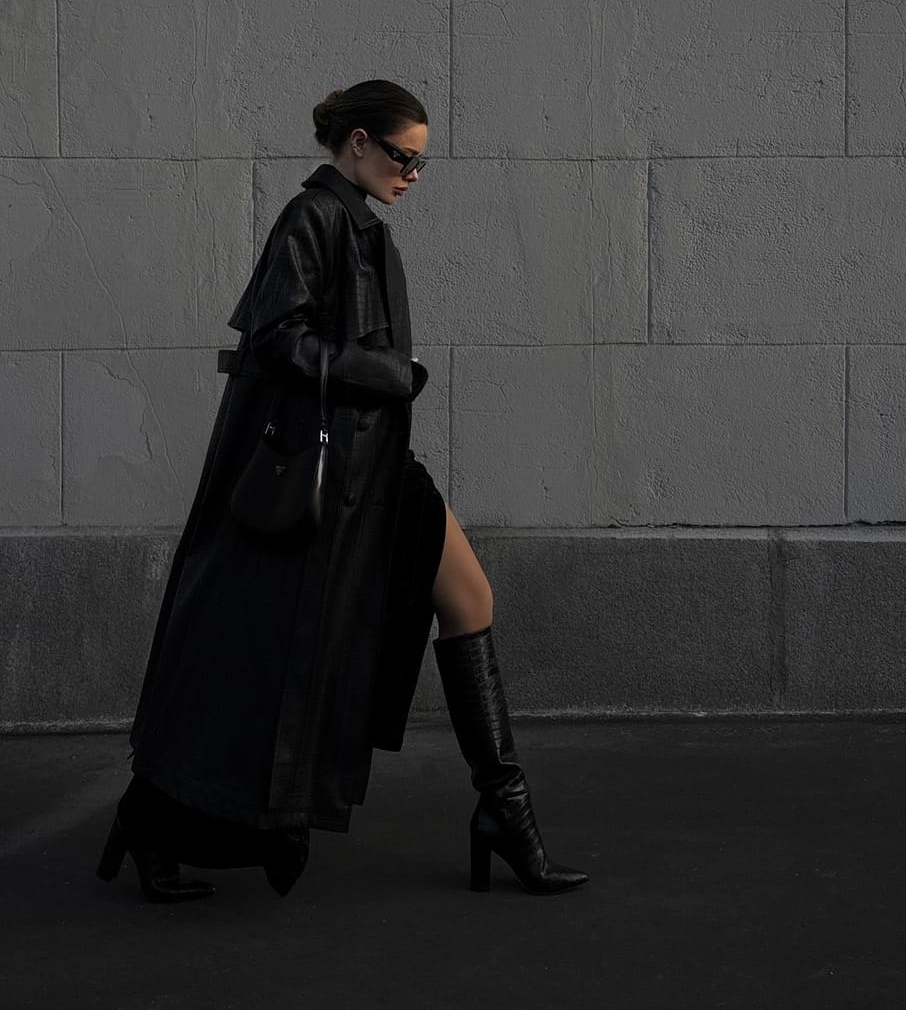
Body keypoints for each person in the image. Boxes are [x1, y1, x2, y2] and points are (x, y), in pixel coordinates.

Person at [95, 79, 589, 902]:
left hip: (378, 474)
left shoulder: (355, 222)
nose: (412, 176)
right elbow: (275, 339)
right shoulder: (314, 217)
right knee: (251, 660)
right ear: (358, 143)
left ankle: (505, 814)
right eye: (403, 157)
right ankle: (152, 818)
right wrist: (386, 373)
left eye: (422, 163)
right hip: (338, 478)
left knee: (470, 599)